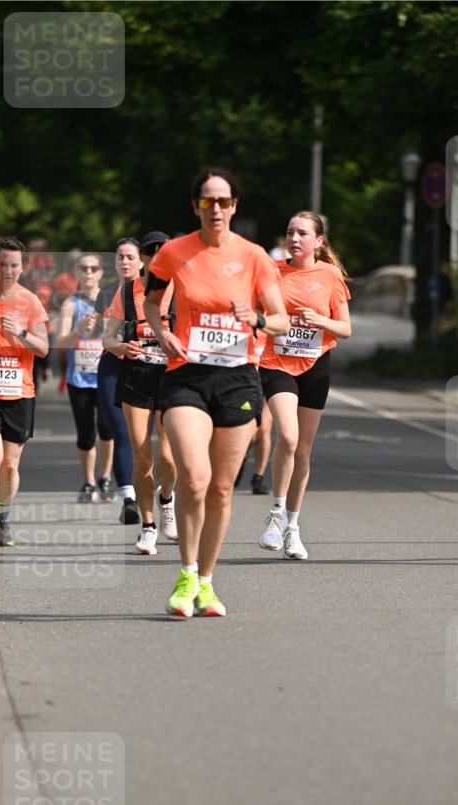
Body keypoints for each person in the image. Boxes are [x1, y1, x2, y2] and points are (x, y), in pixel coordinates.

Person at [143, 166, 289, 617]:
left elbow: (281, 319)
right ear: (196, 207)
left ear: (234, 206)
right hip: (186, 373)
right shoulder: (172, 252)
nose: (217, 209)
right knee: (194, 475)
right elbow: (151, 299)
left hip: (237, 377)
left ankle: (206, 582)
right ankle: (185, 574)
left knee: (223, 488)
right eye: (208, 201)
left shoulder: (254, 256)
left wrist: (258, 319)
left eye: (224, 201)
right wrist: (161, 332)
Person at [258, 211, 352, 559]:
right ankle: (276, 513)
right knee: (288, 435)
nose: (294, 239)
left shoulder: (329, 275)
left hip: (315, 365)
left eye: (301, 233)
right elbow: (259, 316)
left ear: (318, 241)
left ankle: (293, 528)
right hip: (276, 363)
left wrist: (319, 319)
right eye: (289, 233)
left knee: (303, 450)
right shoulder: (272, 272)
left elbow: (345, 328)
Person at [102, 231, 177, 554]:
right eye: (151, 252)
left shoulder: (182, 289)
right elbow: (107, 339)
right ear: (144, 257)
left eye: (164, 251)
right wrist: (122, 346)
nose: (157, 256)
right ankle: (148, 526)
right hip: (136, 376)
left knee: (169, 459)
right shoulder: (127, 290)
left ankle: (166, 500)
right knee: (143, 455)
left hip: (172, 376)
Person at [0, 237, 49, 547]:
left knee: (10, 465)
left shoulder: (30, 301)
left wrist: (20, 332)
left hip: (19, 392)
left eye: (14, 265)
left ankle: (2, 518)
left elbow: (43, 348)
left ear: (23, 267)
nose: (8, 270)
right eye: (2, 263)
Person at [55, 252, 114, 502]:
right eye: (84, 269)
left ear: (101, 272)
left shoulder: (112, 302)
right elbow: (59, 342)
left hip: (105, 375)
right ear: (77, 273)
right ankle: (89, 481)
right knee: (85, 432)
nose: (88, 273)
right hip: (79, 379)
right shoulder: (70, 304)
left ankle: (106, 477)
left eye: (93, 268)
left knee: (107, 428)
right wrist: (78, 331)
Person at [95, 238, 142, 524]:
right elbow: (107, 336)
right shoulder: (108, 293)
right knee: (120, 431)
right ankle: (129, 499)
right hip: (114, 363)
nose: (124, 262)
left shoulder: (154, 289)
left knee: (142, 438)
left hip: (148, 368)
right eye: (120, 257)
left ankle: (161, 495)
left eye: (130, 257)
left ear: (141, 261)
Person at [234, 398, 273, 494]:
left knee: (264, 428)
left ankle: (258, 478)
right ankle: (240, 458)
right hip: (248, 386)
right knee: (249, 430)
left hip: (270, 386)